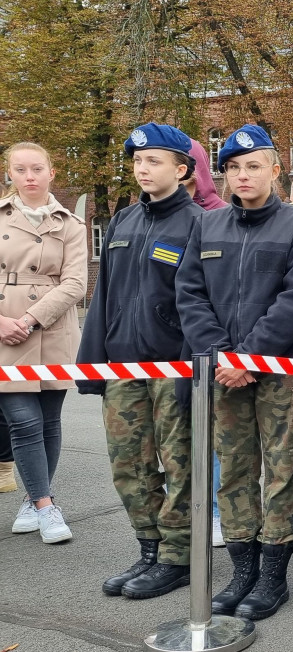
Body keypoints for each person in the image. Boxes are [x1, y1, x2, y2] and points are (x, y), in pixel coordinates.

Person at [176, 124, 293, 620]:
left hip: (281, 372)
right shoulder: (206, 226)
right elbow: (189, 294)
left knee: (282, 470)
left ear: (275, 169)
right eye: (233, 168)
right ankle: (243, 571)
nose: (242, 175)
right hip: (222, 371)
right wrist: (222, 356)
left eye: (253, 166)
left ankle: (274, 577)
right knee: (234, 469)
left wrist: (250, 358)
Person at [78, 123, 202, 598]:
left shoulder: (198, 224)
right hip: (122, 368)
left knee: (179, 465)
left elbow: (199, 305)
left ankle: (176, 556)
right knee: (128, 464)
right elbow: (103, 296)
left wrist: (194, 370)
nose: (143, 169)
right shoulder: (125, 221)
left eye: (154, 161)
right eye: (137, 161)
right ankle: (148, 548)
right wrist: (93, 367)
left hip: (172, 368)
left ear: (181, 168)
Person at [0, 142, 86, 544]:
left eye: (37, 168)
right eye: (20, 170)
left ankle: (34, 499)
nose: (29, 176)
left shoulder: (70, 223)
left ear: (52, 172)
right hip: (3, 330)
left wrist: (33, 318)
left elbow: (76, 282)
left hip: (51, 328)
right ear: (10, 175)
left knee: (49, 421)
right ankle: (47, 506)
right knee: (23, 420)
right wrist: (2, 323)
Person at [184, 138, 228, 547]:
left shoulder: (217, 217)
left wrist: (228, 353)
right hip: (178, 348)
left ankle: (214, 512)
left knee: (215, 436)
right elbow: (188, 290)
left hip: (218, 353)